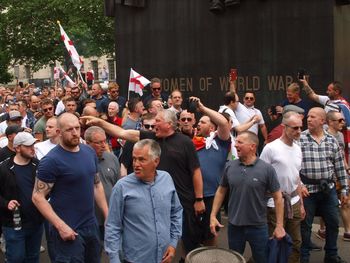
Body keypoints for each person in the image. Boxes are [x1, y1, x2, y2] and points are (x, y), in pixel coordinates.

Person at [82, 109, 205, 261]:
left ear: (169, 124)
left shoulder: (185, 144)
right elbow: (123, 133)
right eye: (135, 159)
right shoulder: (150, 139)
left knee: (187, 239)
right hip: (137, 249)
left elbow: (195, 172)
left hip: (181, 198)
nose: (154, 124)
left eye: (158, 121)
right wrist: (100, 122)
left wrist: (199, 199)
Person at [32, 113, 108, 263]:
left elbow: (96, 184)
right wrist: (61, 227)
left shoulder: (89, 152)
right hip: (68, 230)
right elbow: (37, 197)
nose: (75, 133)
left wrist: (107, 214)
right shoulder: (51, 161)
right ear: (59, 132)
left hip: (90, 227)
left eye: (77, 128)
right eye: (69, 129)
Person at [210, 131, 285, 263]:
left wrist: (279, 226)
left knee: (262, 259)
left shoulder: (267, 169)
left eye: (240, 142)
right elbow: (221, 190)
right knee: (234, 259)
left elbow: (278, 197)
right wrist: (213, 215)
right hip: (234, 226)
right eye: (235, 141)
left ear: (252, 146)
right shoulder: (230, 166)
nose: (235, 145)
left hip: (258, 226)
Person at [105, 139, 183, 263]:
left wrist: (173, 243)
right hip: (135, 259)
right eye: (134, 159)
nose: (136, 164)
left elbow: (176, 212)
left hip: (164, 257)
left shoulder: (166, 179)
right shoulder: (122, 187)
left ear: (156, 161)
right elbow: (113, 226)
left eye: (142, 159)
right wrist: (114, 259)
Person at [299, 107, 349, 263]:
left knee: (333, 223)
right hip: (307, 191)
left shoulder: (331, 140)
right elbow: (292, 165)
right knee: (305, 227)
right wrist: (299, 184)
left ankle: (331, 256)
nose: (308, 119)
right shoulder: (300, 139)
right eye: (308, 116)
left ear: (322, 121)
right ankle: (304, 257)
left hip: (329, 190)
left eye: (312, 117)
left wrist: (345, 189)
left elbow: (339, 166)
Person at [260, 111, 305, 263]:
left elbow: (296, 177)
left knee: (296, 242)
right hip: (274, 203)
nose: (299, 131)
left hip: (294, 202)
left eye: (300, 128)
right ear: (284, 127)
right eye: (295, 128)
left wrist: (302, 204)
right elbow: (261, 176)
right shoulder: (271, 148)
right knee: (275, 242)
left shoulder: (298, 148)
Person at [191, 97, 231, 246]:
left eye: (203, 122)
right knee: (189, 234)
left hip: (212, 196)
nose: (198, 124)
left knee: (211, 232)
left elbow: (223, 122)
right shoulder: (190, 143)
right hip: (191, 195)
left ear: (212, 128)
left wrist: (202, 108)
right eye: (199, 121)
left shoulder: (220, 142)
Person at [0, 132, 43, 263]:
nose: (33, 148)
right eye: (28, 146)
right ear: (17, 148)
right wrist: (6, 203)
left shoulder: (39, 165)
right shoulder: (3, 168)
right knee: (16, 258)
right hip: (13, 224)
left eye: (33, 145)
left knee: (33, 257)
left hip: (35, 222)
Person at [316, 110, 350, 242]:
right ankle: (322, 229)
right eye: (340, 120)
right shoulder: (323, 135)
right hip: (328, 176)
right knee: (327, 202)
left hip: (341, 172)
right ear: (330, 122)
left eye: (343, 120)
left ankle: (347, 231)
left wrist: (347, 167)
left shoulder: (340, 135)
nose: (343, 122)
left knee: (345, 201)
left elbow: (341, 153)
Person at [85, 126, 121, 243]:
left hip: (110, 217)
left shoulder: (112, 158)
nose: (103, 145)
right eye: (98, 142)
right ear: (87, 143)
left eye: (104, 141)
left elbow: (117, 186)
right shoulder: (80, 161)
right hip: (88, 219)